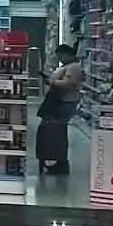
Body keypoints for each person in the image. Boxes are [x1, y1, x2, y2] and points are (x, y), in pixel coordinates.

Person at [38, 43, 85, 175]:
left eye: (61, 56)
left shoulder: (74, 67)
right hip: (61, 101)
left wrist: (52, 82)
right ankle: (58, 160)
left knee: (58, 131)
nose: (60, 58)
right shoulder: (67, 66)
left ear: (68, 54)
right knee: (57, 131)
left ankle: (60, 162)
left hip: (65, 102)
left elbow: (68, 84)